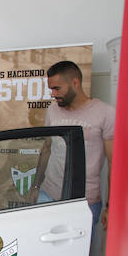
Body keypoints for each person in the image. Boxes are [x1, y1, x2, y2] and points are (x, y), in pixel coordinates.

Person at [32, 60, 114, 229]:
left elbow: (114, 164)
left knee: (78, 255)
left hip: (84, 201)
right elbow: (46, 149)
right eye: (51, 89)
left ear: (75, 83)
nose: (53, 94)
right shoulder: (52, 110)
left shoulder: (105, 113)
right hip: (48, 195)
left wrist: (110, 206)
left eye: (57, 88)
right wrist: (36, 186)